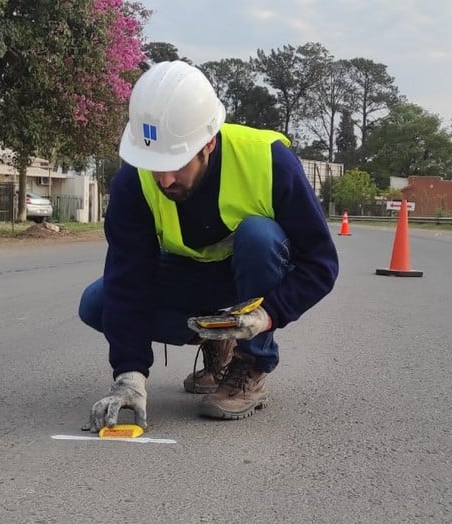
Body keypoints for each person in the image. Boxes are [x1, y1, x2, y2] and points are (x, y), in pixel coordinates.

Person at [78, 60, 339, 430]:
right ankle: (218, 341)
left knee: (259, 237)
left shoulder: (269, 162)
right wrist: (129, 375)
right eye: (155, 163)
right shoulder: (133, 183)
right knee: (97, 303)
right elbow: (127, 279)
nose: (164, 179)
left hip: (252, 279)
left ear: (209, 143)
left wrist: (269, 315)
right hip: (190, 277)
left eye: (177, 162)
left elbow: (321, 263)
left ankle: (251, 363)